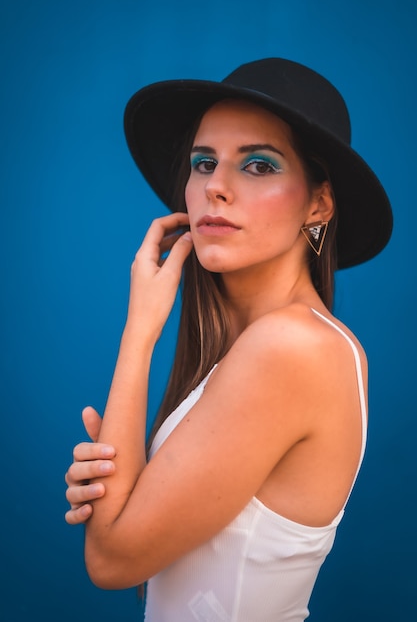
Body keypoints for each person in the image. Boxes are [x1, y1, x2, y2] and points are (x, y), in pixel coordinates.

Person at [64, 58, 392, 621]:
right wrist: (120, 486)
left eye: (258, 165)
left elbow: (112, 563)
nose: (215, 187)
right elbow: (147, 564)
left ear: (318, 204)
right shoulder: (262, 347)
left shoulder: (291, 349)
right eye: (203, 162)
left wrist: (140, 329)